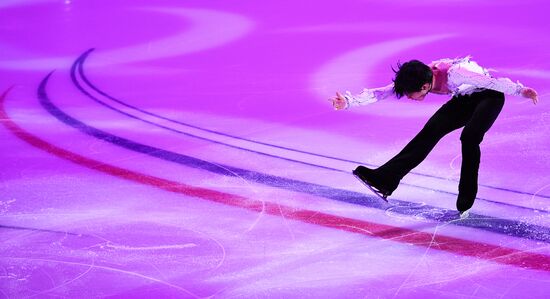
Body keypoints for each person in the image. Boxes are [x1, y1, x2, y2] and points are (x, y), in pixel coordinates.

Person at [330, 56, 539, 217]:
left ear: (423, 87)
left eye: (410, 94)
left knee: (470, 137)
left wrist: (521, 90)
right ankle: (386, 179)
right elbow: (382, 93)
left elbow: (491, 83)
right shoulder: (422, 77)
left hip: (489, 97)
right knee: (429, 133)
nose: (409, 98)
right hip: (464, 99)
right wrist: (349, 102)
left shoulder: (457, 73)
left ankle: (466, 198)